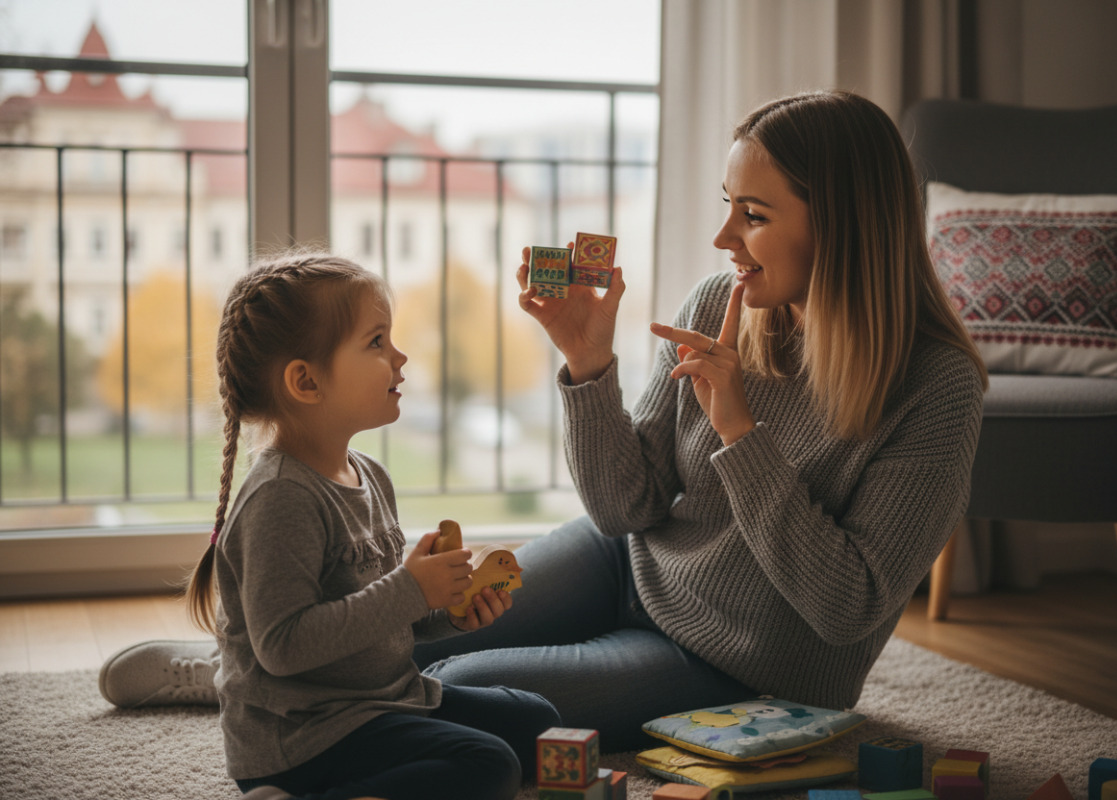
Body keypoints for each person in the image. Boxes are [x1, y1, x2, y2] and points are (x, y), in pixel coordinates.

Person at [100, 89, 986, 756]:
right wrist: (588, 366)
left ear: (846, 227)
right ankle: (243, 669)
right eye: (727, 204)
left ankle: (254, 682)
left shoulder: (936, 388)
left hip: (745, 663)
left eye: (752, 216)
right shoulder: (722, 304)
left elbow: (846, 608)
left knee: (448, 688)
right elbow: (625, 508)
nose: (724, 239)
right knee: (422, 619)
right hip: (630, 560)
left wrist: (741, 435)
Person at [100, 254, 560, 800]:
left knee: (541, 723)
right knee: (490, 766)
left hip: (384, 701)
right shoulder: (280, 498)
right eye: (377, 342)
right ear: (306, 381)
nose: (400, 356)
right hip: (304, 736)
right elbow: (283, 647)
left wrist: (449, 610)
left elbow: (384, 621)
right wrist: (411, 588)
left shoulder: (371, 476)